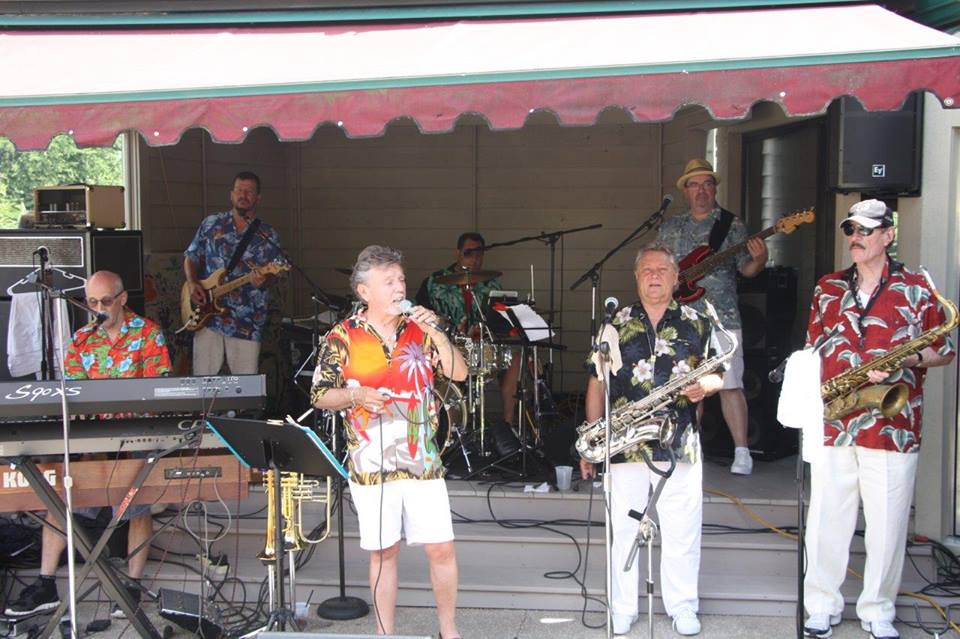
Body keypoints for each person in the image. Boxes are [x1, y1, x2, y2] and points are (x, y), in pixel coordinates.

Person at [803, 200, 955, 639]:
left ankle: (878, 609)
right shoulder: (828, 287)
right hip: (836, 418)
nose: (856, 237)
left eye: (865, 231)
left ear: (888, 235)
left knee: (887, 524)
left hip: (893, 424)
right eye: (851, 229)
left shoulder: (916, 288)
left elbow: (944, 351)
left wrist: (907, 359)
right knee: (827, 518)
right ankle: (821, 605)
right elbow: (812, 348)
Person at [312, 245, 468, 638]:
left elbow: (460, 374)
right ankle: (385, 634)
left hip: (422, 459)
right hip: (370, 463)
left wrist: (437, 333)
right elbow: (320, 394)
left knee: (442, 547)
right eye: (389, 282)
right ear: (364, 291)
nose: (400, 288)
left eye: (401, 280)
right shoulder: (343, 335)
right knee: (384, 552)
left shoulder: (421, 329)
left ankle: (449, 632)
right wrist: (356, 395)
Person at [4, 271, 172, 619]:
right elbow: (74, 392)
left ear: (122, 299)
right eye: (91, 302)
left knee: (136, 508)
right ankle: (46, 584)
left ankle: (132, 585)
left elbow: (161, 389)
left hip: (136, 436)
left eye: (106, 301)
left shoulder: (147, 333)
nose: (98, 308)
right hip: (93, 438)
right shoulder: (81, 339)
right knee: (60, 500)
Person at [579, 244, 725, 637]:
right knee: (624, 528)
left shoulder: (698, 322)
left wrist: (705, 387)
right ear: (636, 277)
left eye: (662, 269)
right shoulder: (614, 325)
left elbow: (719, 374)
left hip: (680, 441)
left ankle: (682, 607)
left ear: (677, 278)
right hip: (623, 444)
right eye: (647, 270)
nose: (655, 275)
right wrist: (592, 439)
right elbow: (596, 384)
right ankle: (623, 607)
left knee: (682, 528)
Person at [657, 158, 768, 475]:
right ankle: (688, 450)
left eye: (707, 184)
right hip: (682, 319)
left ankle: (742, 452)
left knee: (730, 384)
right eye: (695, 185)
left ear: (715, 189)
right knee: (688, 388)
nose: (701, 190)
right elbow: (656, 269)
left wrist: (760, 259)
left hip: (723, 318)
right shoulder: (671, 228)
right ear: (686, 190)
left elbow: (747, 269)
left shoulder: (732, 225)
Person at [183, 171, 286, 375]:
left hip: (246, 321)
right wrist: (192, 283)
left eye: (249, 191)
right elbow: (191, 256)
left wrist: (264, 281)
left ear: (258, 198)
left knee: (245, 386)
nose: (243, 195)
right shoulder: (212, 224)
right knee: (203, 384)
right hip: (207, 320)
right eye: (239, 190)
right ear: (231, 195)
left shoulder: (268, 235)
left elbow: (277, 275)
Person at [415, 232, 521, 425]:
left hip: (482, 347)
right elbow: (419, 320)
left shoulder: (491, 284)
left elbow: (501, 321)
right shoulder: (434, 282)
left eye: (479, 253)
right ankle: (448, 424)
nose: (475, 258)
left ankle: (508, 424)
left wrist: (487, 330)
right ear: (458, 252)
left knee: (514, 359)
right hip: (448, 346)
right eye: (469, 252)